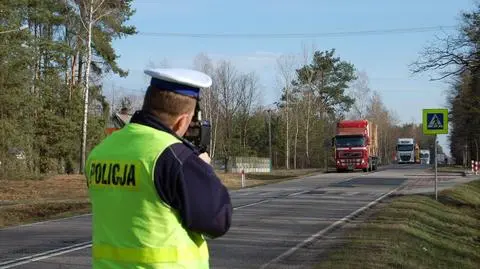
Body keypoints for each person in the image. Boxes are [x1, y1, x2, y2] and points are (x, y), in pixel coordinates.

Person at [85, 68, 233, 269]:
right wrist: (204, 171)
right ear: (183, 120)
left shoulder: (100, 152)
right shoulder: (176, 158)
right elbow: (217, 221)